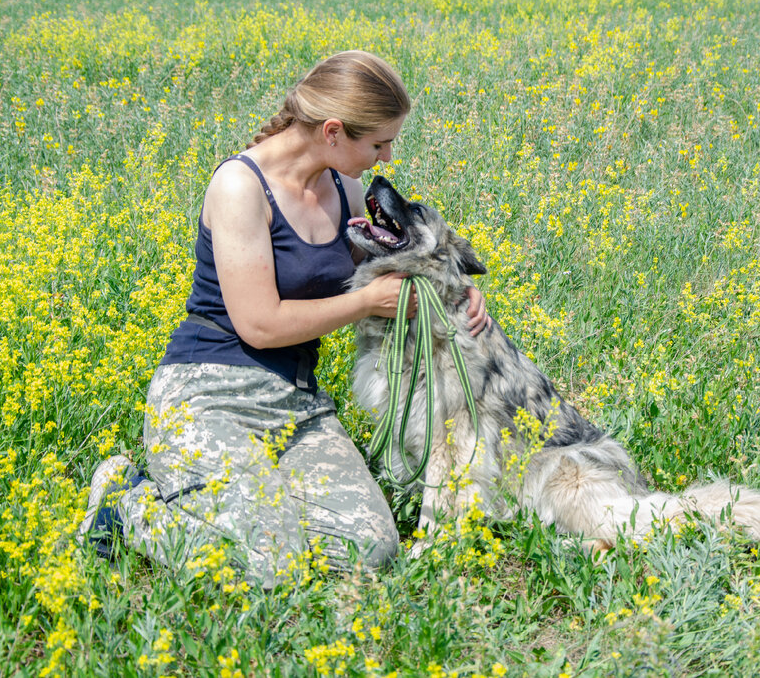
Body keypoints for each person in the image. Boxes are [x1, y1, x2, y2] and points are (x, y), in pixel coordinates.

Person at [77, 51, 487, 587]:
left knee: (370, 549)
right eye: (379, 143)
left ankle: (255, 510)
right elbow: (260, 324)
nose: (386, 157)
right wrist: (366, 303)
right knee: (275, 565)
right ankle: (128, 504)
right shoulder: (239, 187)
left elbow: (397, 267)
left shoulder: (345, 188)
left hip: (297, 406)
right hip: (210, 397)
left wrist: (455, 287)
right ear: (335, 132)